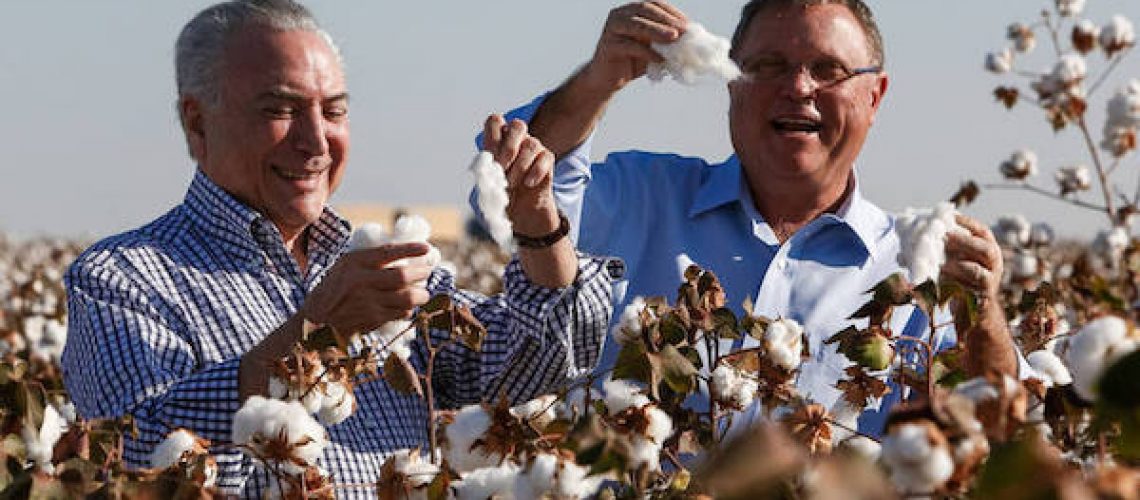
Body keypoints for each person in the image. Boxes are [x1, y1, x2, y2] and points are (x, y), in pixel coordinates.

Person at [61, 0, 617, 496]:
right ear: (196, 121)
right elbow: (135, 461)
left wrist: (539, 225)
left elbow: (536, 361)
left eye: (333, 111)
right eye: (279, 110)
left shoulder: (378, 261)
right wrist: (315, 331)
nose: (316, 141)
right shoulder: (123, 278)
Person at [477, 0, 1019, 434]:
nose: (799, 88)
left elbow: (1001, 423)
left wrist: (982, 313)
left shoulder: (919, 265)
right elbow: (511, 184)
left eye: (828, 70)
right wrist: (598, 79)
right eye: (769, 67)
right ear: (733, 84)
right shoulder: (640, 199)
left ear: (874, 96)